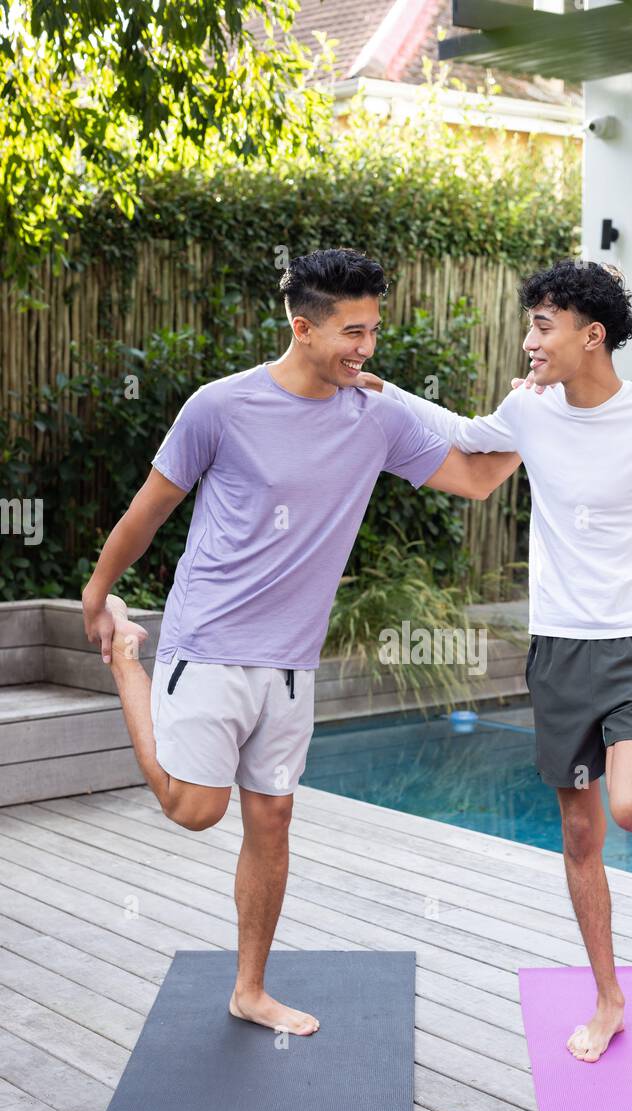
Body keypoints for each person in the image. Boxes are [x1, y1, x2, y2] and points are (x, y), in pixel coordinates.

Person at [81, 247, 522, 1036]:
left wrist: (537, 411)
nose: (366, 348)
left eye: (374, 331)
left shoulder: (377, 416)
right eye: (352, 331)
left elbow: (477, 479)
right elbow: (149, 510)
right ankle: (127, 666)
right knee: (192, 812)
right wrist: (97, 593)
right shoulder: (220, 407)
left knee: (273, 817)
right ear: (302, 327)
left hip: (291, 661)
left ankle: (249, 989)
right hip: (208, 639)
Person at [358, 258, 632, 1063]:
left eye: (542, 326)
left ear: (592, 335)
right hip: (557, 646)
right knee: (579, 836)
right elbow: (465, 438)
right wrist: (383, 394)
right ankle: (608, 995)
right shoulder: (529, 409)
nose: (527, 341)